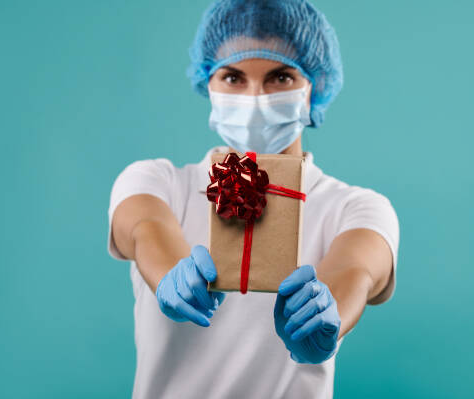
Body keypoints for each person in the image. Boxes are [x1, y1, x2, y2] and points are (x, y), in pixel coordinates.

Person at [107, 0, 399, 398]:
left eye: (280, 77)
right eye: (232, 77)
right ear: (207, 82)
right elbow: (144, 227)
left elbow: (357, 269)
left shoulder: (356, 207)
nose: (256, 98)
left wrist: (325, 315)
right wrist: (170, 275)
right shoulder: (158, 182)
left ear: (315, 83)